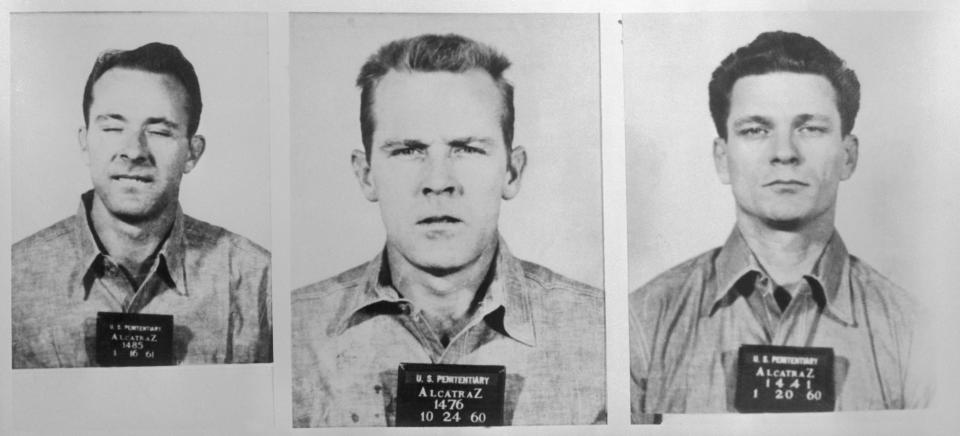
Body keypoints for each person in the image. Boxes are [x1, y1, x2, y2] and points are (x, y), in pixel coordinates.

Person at [291, 33, 605, 427]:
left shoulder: (604, 334)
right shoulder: (293, 333)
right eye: (408, 150)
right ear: (366, 174)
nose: (438, 181)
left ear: (512, 171)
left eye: (468, 148)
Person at [629, 31, 931, 419]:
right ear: (722, 158)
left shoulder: (917, 336)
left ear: (848, 156)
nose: (784, 153)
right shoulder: (643, 322)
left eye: (810, 128)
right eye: (756, 130)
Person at [12, 42, 272, 368]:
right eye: (112, 128)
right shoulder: (12, 279)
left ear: (192, 152)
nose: (134, 151)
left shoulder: (257, 280)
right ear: (84, 142)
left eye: (160, 131)